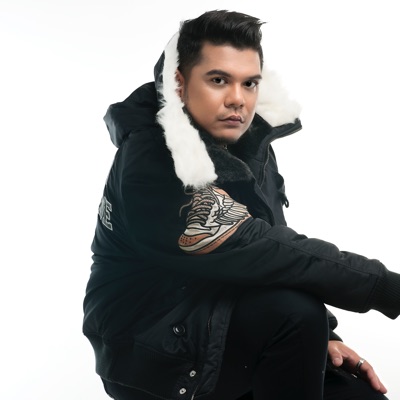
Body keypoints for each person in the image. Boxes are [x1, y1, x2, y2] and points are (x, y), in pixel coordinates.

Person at [83, 10, 400, 400]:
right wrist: (387, 288)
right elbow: (260, 248)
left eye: (249, 83)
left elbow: (277, 245)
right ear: (179, 84)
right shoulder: (157, 161)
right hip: (152, 350)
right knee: (294, 314)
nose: (238, 99)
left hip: (227, 320)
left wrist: (327, 335)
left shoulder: (246, 143)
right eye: (218, 80)